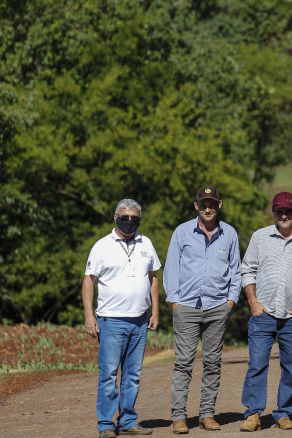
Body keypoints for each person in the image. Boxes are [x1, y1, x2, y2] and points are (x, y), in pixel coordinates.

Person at [163, 186, 241, 434]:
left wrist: (230, 301)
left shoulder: (229, 234)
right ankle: (179, 416)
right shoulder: (182, 232)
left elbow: (235, 270)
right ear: (196, 206)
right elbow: (171, 267)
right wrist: (174, 302)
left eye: (212, 204)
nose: (208, 208)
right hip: (186, 306)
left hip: (217, 307)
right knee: (184, 362)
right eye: (203, 204)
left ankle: (207, 414)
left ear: (219, 204)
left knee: (212, 363)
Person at [239, 191, 292, 432]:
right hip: (263, 313)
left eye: (288, 211)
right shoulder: (260, 237)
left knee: (291, 366)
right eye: (279, 211)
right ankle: (253, 414)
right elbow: (247, 270)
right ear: (274, 213)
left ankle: (284, 412)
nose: (284, 215)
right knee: (257, 364)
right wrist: (253, 302)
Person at [83, 199, 160, 438]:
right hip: (111, 321)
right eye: (124, 218)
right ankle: (106, 424)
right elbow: (88, 282)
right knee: (108, 374)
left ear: (140, 220)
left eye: (134, 219)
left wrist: (155, 310)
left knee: (132, 374)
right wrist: (89, 316)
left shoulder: (146, 243)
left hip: (139, 320)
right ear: (115, 217)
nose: (129, 222)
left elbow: (153, 278)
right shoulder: (101, 246)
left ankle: (127, 421)